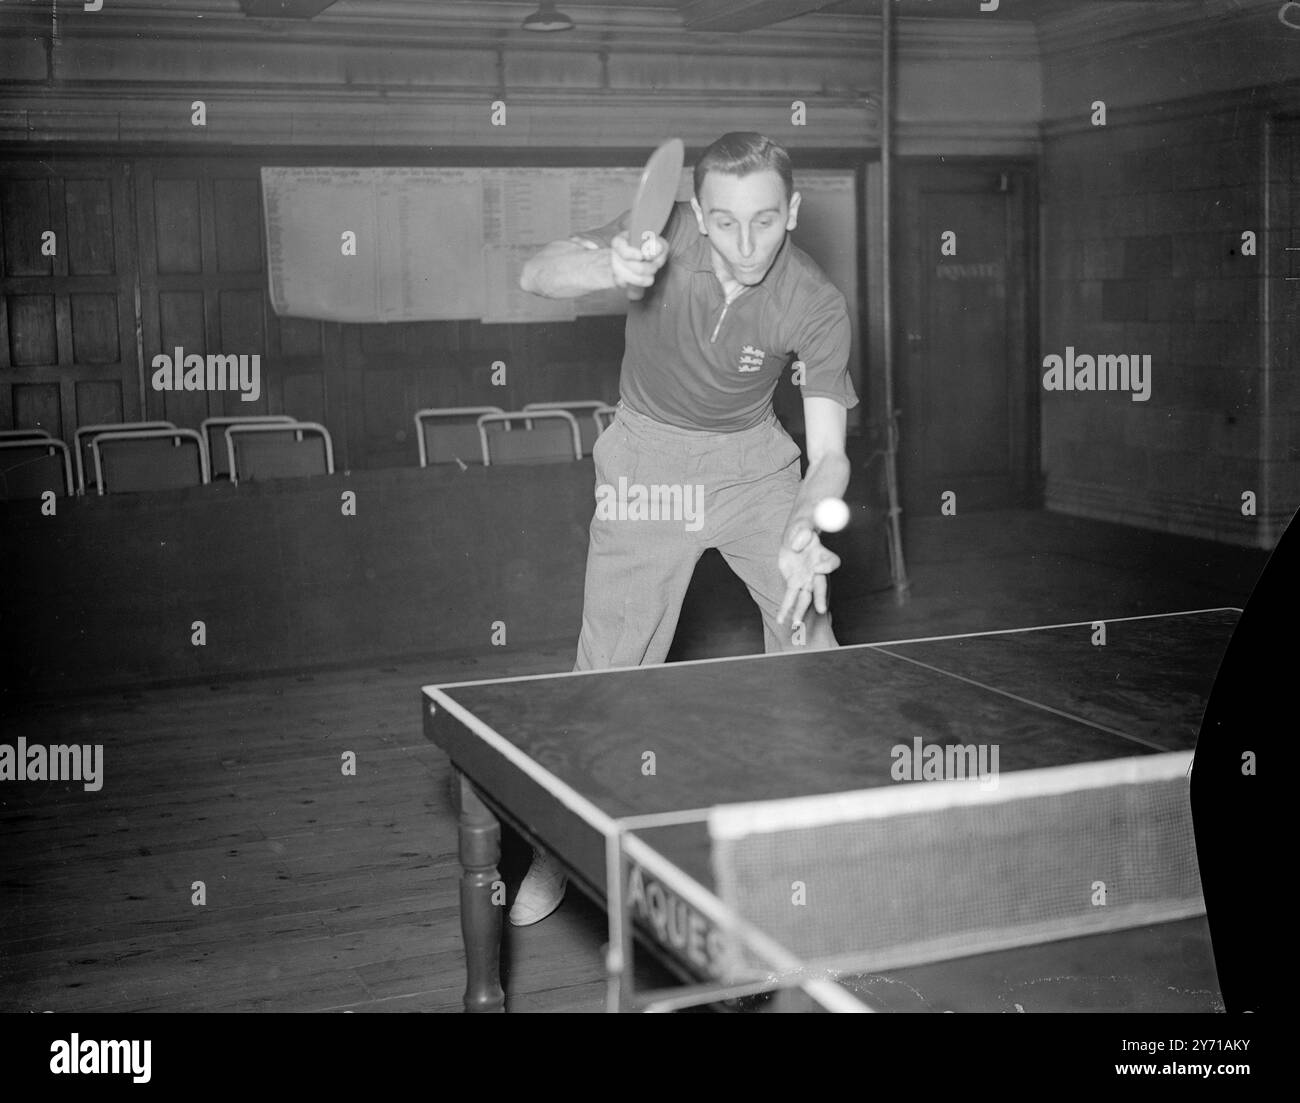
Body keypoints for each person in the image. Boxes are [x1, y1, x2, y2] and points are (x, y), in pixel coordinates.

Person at [511, 131, 858, 925]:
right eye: (726, 222)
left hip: (755, 467)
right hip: (647, 460)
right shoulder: (660, 232)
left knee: (811, 636)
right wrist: (609, 266)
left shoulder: (815, 299)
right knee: (608, 664)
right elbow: (534, 273)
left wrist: (806, 520)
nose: (746, 245)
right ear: (698, 213)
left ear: (793, 212)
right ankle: (559, 851)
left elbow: (829, 454)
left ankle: (827, 839)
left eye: (766, 222)